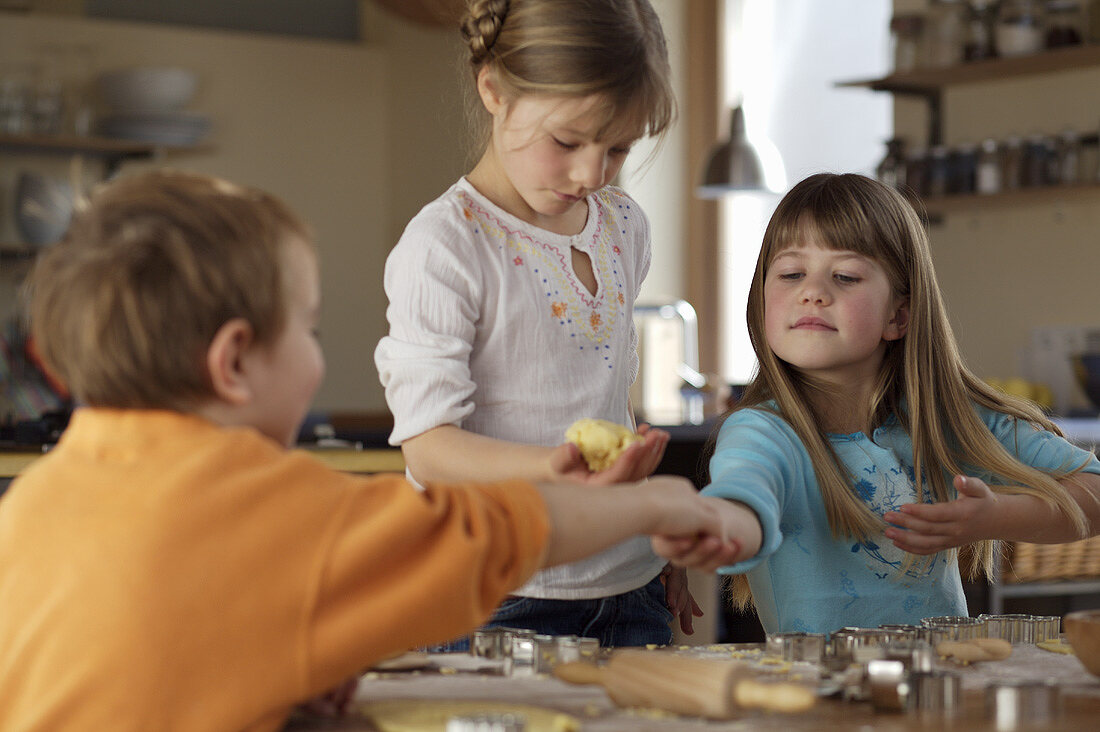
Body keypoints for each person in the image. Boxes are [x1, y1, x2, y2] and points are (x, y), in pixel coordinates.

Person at [0, 169, 740, 732]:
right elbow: (486, 535)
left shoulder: (29, 507)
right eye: (309, 331)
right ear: (233, 363)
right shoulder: (272, 508)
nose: (317, 357)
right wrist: (653, 500)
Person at [374, 0, 697, 647]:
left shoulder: (624, 225)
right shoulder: (446, 245)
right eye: (567, 142)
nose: (590, 174)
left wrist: (647, 544)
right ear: (493, 89)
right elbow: (430, 450)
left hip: (628, 585)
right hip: (498, 591)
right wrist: (553, 467)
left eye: (617, 148)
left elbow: (606, 396)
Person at [663, 172, 1100, 635]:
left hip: (940, 689)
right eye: (791, 273)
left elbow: (1092, 489)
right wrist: (714, 528)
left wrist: (994, 517)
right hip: (821, 695)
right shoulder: (761, 432)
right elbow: (743, 499)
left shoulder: (947, 419)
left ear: (899, 315)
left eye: (845, 276)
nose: (812, 291)